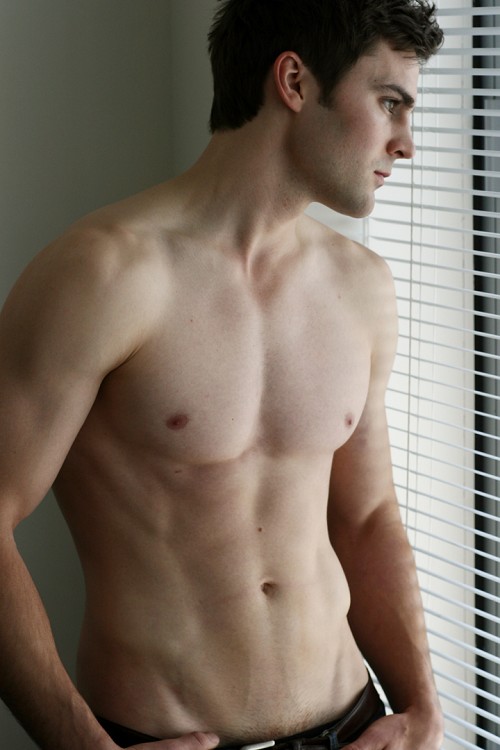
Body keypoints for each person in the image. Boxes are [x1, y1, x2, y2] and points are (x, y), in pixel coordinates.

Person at [0, 1, 445, 748]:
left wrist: (423, 709)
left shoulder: (361, 286)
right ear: (294, 82)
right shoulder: (103, 275)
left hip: (355, 723)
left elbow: (366, 517)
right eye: (389, 103)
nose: (406, 142)